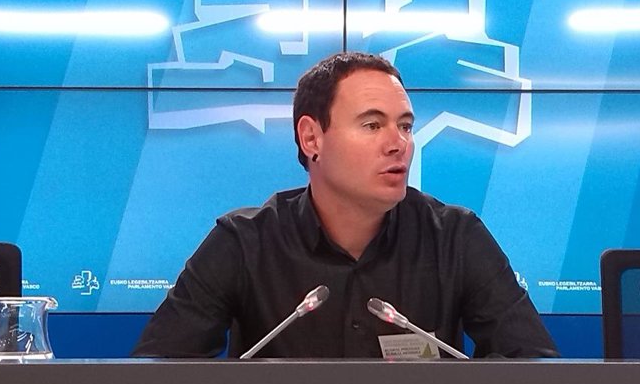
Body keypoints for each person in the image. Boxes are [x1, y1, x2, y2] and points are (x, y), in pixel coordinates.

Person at [131, 51, 558, 359]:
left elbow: (536, 371)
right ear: (311, 138)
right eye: (372, 125)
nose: (398, 144)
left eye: (405, 126)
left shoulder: (456, 238)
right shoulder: (243, 243)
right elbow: (154, 379)